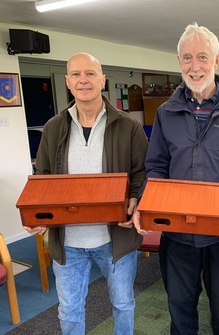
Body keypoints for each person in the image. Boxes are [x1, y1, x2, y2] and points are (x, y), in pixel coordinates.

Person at [133, 22, 219, 335]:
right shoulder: (166, 113)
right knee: (180, 310)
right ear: (179, 62)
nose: (195, 67)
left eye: (202, 57)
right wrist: (145, 201)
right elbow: (156, 166)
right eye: (187, 58)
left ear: (217, 61)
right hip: (178, 234)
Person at [23, 52, 148, 335]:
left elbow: (143, 172)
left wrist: (134, 199)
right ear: (67, 82)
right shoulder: (53, 128)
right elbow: (42, 179)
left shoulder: (129, 126)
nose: (83, 80)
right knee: (69, 311)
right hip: (68, 242)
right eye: (76, 75)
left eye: (90, 74)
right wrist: (37, 213)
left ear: (102, 80)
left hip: (115, 238)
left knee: (123, 304)